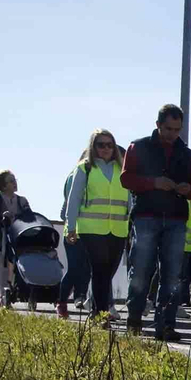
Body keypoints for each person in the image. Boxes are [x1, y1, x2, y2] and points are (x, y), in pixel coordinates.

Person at [121, 104, 191, 339]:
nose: (172, 134)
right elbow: (126, 179)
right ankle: (134, 320)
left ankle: (165, 324)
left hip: (175, 218)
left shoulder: (186, 153)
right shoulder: (138, 147)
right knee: (141, 270)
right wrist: (154, 183)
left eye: (177, 129)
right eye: (168, 128)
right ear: (158, 125)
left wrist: (187, 189)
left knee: (172, 274)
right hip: (147, 217)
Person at [64, 129, 130, 324]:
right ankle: (101, 314)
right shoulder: (84, 168)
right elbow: (73, 199)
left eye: (110, 145)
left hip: (118, 229)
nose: (106, 149)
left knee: (108, 272)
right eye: (100, 145)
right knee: (100, 270)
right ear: (93, 147)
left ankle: (97, 311)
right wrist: (70, 227)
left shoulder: (122, 169)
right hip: (91, 228)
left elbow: (130, 198)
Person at [0, 170, 34, 308]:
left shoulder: (22, 200)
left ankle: (11, 292)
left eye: (15, 180)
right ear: (3, 185)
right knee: (3, 266)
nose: (14, 183)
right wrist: (1, 217)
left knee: (15, 268)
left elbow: (29, 216)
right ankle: (3, 296)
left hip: (15, 237)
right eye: (11, 181)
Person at [56, 160, 93, 318]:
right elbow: (66, 209)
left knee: (87, 267)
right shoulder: (78, 174)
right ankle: (62, 302)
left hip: (92, 230)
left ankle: (80, 296)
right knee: (75, 268)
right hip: (75, 231)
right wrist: (71, 226)